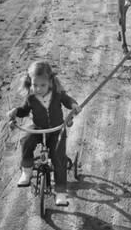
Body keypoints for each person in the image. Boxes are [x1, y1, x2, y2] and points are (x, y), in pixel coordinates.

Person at [7, 61, 81, 206]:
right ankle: (27, 170)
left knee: (58, 159)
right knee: (26, 140)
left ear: (50, 83)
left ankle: (60, 192)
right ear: (30, 82)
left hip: (56, 130)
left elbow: (67, 100)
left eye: (43, 85)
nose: (38, 89)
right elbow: (23, 110)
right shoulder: (31, 98)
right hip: (39, 128)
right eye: (35, 85)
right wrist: (15, 111)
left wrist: (74, 105)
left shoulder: (58, 94)